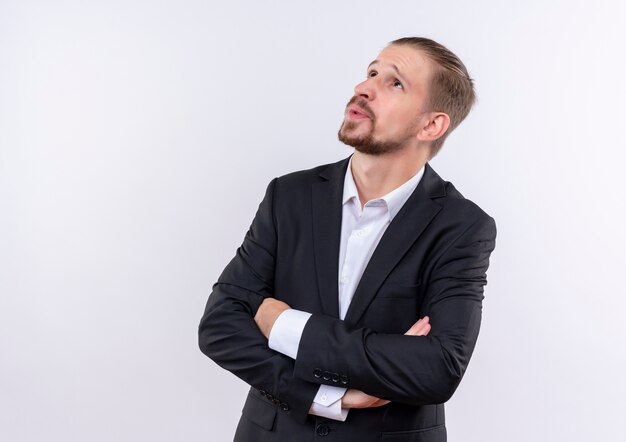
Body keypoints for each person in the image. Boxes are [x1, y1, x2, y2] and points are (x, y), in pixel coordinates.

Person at [198, 36, 497, 442]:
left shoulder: (462, 226)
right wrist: (324, 396)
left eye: (395, 83)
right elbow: (220, 325)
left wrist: (286, 325)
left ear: (432, 124)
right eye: (371, 72)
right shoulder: (289, 196)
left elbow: (437, 369)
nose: (364, 87)